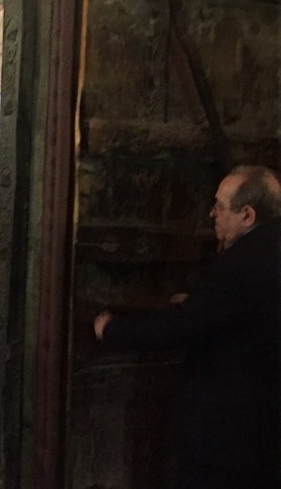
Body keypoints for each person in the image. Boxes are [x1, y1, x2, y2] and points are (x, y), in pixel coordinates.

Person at [93, 165, 280, 488]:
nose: (213, 214)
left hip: (235, 432)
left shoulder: (240, 265)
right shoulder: (268, 250)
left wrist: (112, 329)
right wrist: (202, 301)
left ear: (247, 215)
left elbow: (180, 328)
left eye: (220, 207)